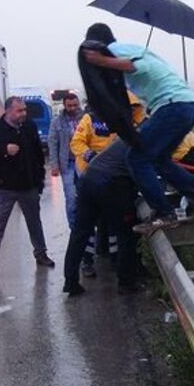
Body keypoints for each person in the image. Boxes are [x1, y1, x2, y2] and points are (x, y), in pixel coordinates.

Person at [81, 23, 194, 230]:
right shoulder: (133, 49)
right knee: (159, 159)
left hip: (173, 106)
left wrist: (101, 60)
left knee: (136, 158)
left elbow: (137, 67)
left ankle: (165, 213)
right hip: (187, 105)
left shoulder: (115, 51)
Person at [0, 96, 55, 278]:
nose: (24, 114)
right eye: (19, 111)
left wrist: (39, 180)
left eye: (24, 110)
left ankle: (41, 253)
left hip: (28, 186)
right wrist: (3, 150)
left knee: (34, 222)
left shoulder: (29, 127)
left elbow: (37, 154)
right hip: (4, 188)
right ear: (8, 111)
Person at [71, 94, 145, 275]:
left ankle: (114, 258)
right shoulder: (89, 119)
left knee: (113, 221)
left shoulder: (122, 122)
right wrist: (91, 155)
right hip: (88, 173)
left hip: (112, 177)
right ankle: (87, 262)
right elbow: (76, 142)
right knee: (87, 224)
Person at [62, 138, 144, 297]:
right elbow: (147, 172)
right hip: (112, 184)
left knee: (80, 232)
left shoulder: (127, 136)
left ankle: (70, 281)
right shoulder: (149, 141)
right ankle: (126, 282)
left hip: (88, 179)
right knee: (125, 232)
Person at [48, 93, 84, 227]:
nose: (72, 108)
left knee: (87, 196)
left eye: (75, 105)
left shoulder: (86, 118)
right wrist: (54, 165)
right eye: (69, 106)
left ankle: (89, 227)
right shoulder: (57, 122)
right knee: (71, 197)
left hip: (85, 162)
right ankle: (74, 228)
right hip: (67, 164)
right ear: (64, 105)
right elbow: (52, 143)